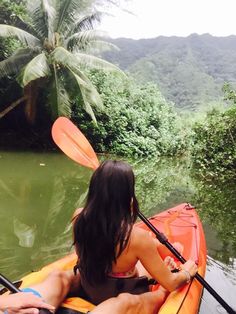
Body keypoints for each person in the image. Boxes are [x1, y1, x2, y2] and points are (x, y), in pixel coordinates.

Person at [72, 160, 198, 306]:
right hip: (122, 296)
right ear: (127, 194)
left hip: (91, 288)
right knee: (154, 266)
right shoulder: (137, 237)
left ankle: (161, 266)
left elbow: (89, 253)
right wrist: (187, 272)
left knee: (142, 262)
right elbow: (171, 283)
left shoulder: (78, 217)